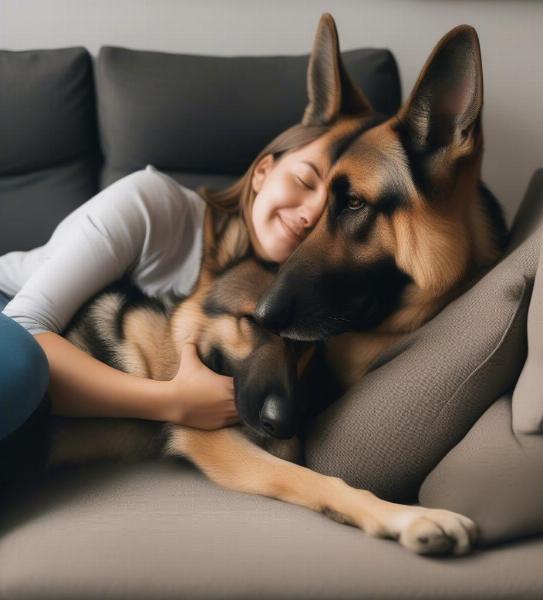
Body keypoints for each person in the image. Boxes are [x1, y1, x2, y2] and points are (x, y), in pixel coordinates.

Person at [0, 121, 332, 484]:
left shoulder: (285, 304)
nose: (312, 214)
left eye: (332, 209)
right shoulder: (153, 203)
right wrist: (173, 401)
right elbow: (24, 329)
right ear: (262, 172)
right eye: (304, 181)